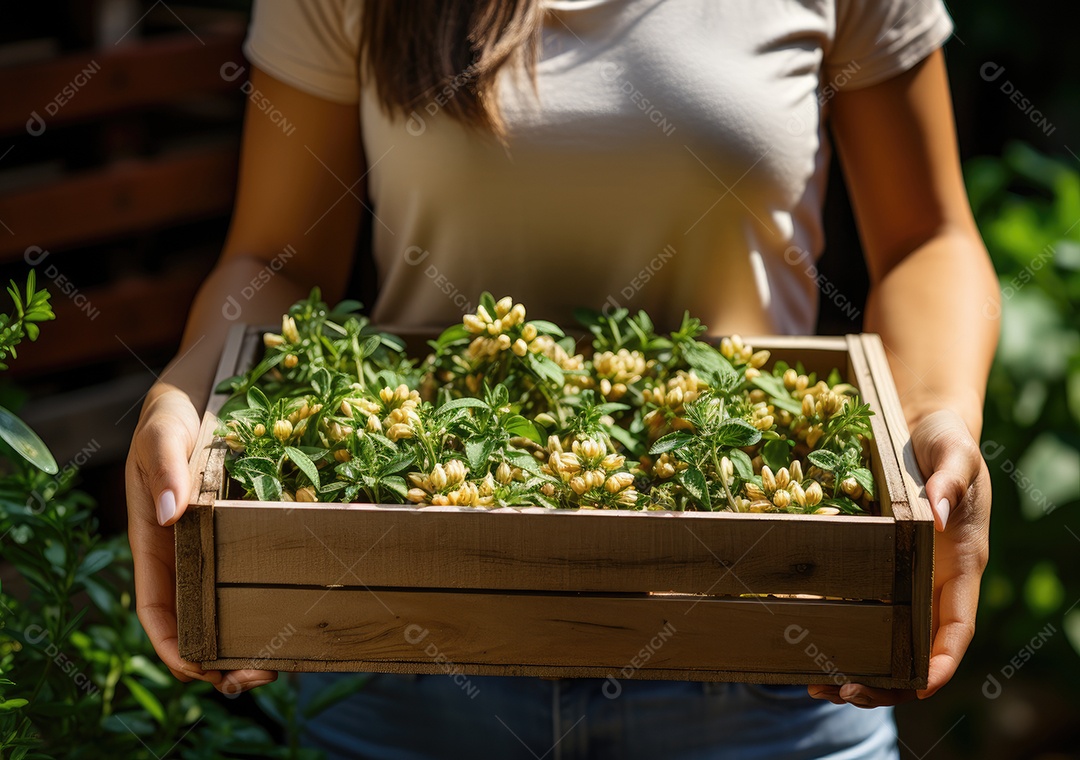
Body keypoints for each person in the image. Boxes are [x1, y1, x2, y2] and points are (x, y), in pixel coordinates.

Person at [126, 0, 998, 757]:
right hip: (399, 645)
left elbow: (928, 237)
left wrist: (935, 411)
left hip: (765, 642)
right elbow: (273, 259)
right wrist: (190, 392)